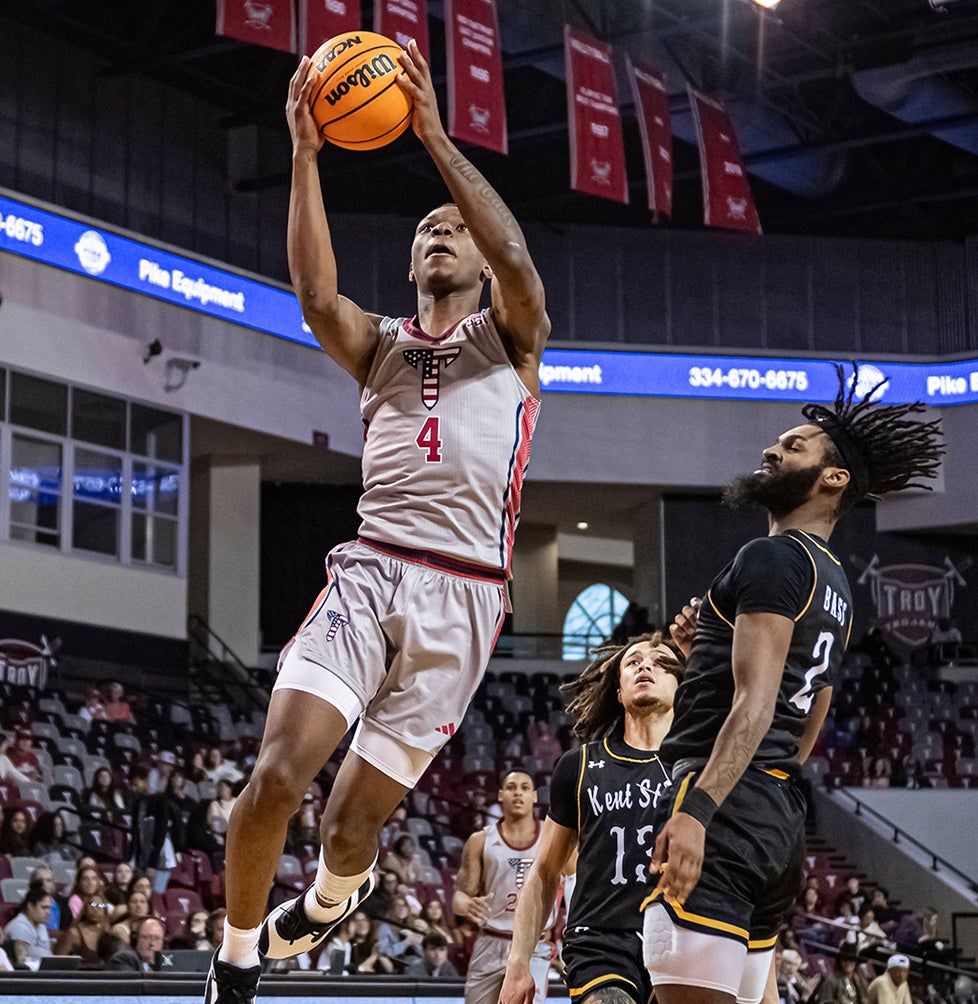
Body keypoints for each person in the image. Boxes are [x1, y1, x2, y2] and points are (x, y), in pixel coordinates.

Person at [207, 36, 551, 1004]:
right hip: (371, 570)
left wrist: (434, 135)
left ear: (480, 262)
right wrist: (308, 153)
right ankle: (235, 966)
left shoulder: (516, 340)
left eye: (456, 229)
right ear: (410, 264)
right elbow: (316, 294)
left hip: (466, 603)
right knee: (278, 774)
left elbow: (519, 254)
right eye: (426, 231)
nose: (441, 234)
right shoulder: (380, 347)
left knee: (352, 824)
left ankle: (331, 896)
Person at [640, 370, 943, 1004]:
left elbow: (755, 705)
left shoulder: (772, 557)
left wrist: (698, 810)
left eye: (794, 445)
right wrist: (702, 661)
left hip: (722, 808)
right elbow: (803, 728)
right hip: (778, 819)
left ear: (833, 478)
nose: (771, 452)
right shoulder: (838, 586)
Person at [501, 630, 687, 1004]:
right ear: (618, 691)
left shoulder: (700, 767)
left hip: (682, 938)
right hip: (601, 941)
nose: (644, 666)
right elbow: (543, 872)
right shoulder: (580, 765)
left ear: (682, 687)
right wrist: (518, 963)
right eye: (632, 662)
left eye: (659, 661)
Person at [455, 770, 556, 1004]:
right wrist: (467, 904)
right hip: (491, 940)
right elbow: (459, 898)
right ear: (500, 795)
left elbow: (574, 882)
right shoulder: (481, 840)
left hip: (534, 944)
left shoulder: (551, 837)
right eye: (511, 787)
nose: (518, 792)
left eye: (524, 787)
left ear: (534, 796)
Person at [130, 765, 185, 893]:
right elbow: (136, 833)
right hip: (143, 857)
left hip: (160, 857)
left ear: (145, 781)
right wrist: (133, 858)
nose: (133, 787)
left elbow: (161, 834)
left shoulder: (161, 801)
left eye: (135, 783)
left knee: (155, 894)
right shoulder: (138, 803)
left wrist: (152, 864)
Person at [54, 896, 112, 968]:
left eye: (100, 906)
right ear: (85, 909)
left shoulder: (106, 933)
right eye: (92, 905)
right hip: (78, 976)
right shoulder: (74, 933)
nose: (95, 910)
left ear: (105, 912)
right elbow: (57, 962)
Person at [4, 885, 54, 962]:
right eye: (44, 908)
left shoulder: (41, 925)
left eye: (49, 908)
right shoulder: (19, 927)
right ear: (30, 906)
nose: (48, 912)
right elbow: (23, 961)